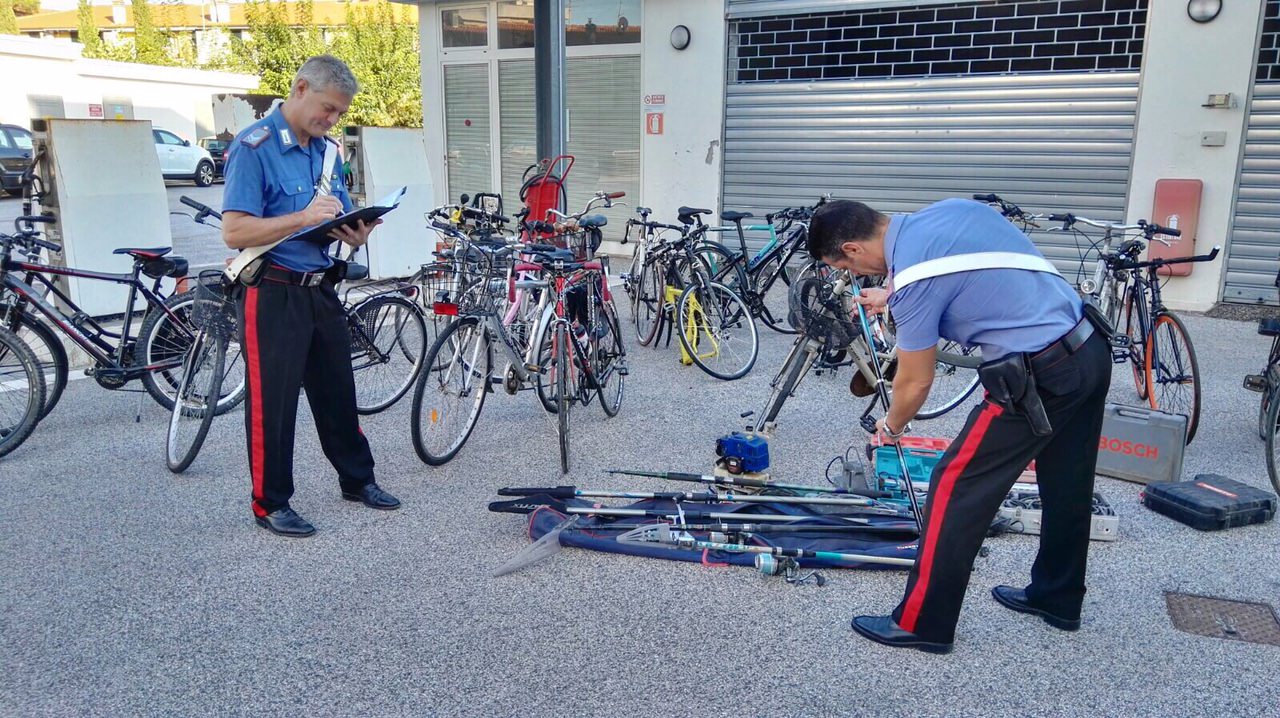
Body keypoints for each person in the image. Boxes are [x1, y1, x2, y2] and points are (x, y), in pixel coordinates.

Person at [806, 198, 1111, 654]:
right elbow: (973, 269)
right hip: (1089, 348)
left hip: (1042, 375)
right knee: (1067, 481)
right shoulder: (948, 213)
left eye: (847, 267)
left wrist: (889, 428)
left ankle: (922, 623)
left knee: (954, 485)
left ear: (851, 248)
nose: (857, 276)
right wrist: (891, 297)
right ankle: (1057, 597)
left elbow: (914, 382)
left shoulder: (913, 282)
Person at [221, 55, 400, 538]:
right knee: (273, 404)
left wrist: (353, 233)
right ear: (300, 89)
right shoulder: (253, 147)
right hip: (273, 291)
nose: (332, 119)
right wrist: (301, 218)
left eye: (339, 113)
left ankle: (356, 479)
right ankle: (270, 502)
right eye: (327, 108)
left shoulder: (327, 152)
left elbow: (330, 217)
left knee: (338, 391)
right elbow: (234, 230)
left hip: (320, 287)